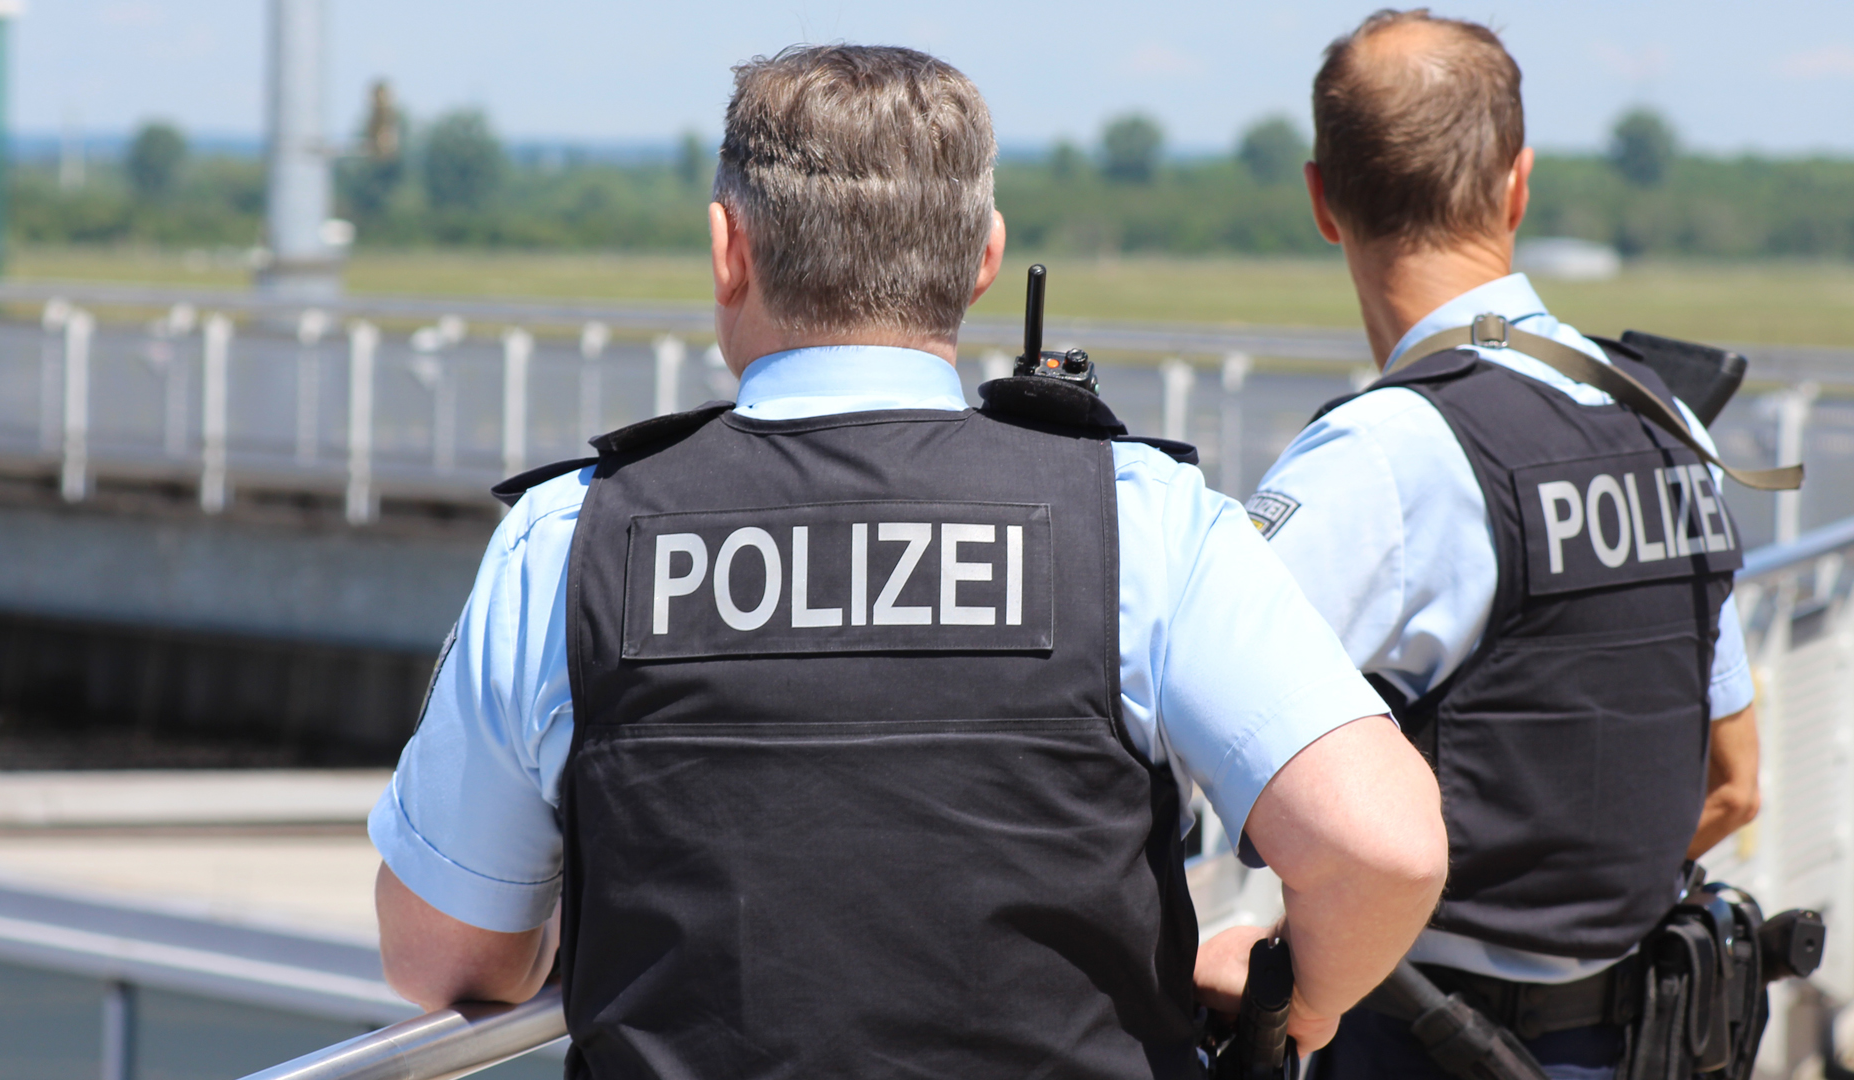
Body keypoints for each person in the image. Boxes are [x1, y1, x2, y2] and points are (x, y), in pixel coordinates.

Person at [369, 44, 1446, 1079]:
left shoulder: (570, 541)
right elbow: (1384, 847)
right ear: (984, 261)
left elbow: (443, 959)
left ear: (728, 249)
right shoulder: (1138, 522)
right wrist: (1298, 1004)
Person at [1246, 11, 1763, 1080]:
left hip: (1424, 1037)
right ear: (1518, 185)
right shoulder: (1667, 418)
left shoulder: (1381, 455)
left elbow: (1173, 737)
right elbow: (1734, 782)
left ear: (1323, 201)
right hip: (1655, 1033)